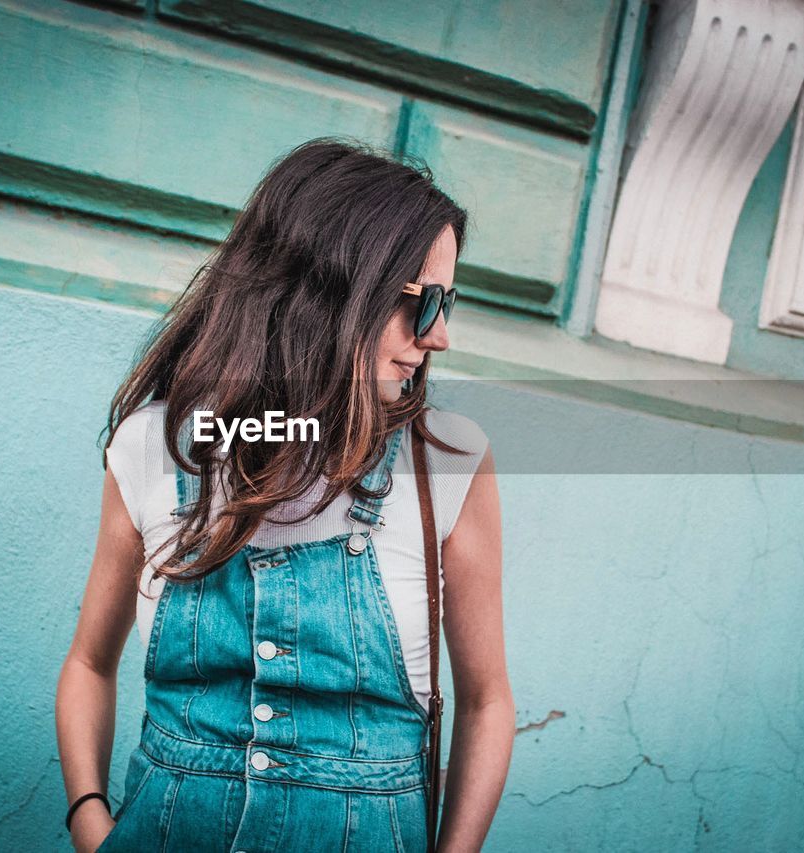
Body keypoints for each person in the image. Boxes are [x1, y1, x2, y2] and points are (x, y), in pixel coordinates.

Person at [56, 137, 513, 852]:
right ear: (326, 290)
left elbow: (487, 703)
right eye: (421, 304)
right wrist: (91, 820)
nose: (441, 336)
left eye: (447, 303)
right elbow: (88, 661)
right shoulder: (159, 446)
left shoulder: (445, 463)